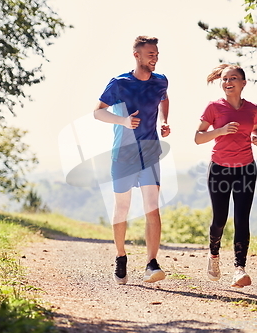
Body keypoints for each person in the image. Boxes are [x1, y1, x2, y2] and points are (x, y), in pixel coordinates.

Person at [93, 36, 170, 285]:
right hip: (124, 154)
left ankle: (151, 263)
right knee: (123, 208)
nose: (155, 57)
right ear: (136, 55)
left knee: (152, 208)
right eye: (150, 53)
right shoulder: (120, 83)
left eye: (156, 53)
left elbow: (164, 98)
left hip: (149, 152)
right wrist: (123, 121)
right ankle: (121, 257)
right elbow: (98, 112)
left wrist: (164, 121)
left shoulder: (160, 81)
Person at [194, 64, 257, 288]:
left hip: (246, 169)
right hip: (220, 169)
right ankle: (214, 256)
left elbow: (255, 127)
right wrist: (220, 131)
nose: (228, 82)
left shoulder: (251, 108)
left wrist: (255, 136)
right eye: (224, 79)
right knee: (220, 219)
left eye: (233, 78)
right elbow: (198, 137)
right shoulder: (214, 108)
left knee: (242, 219)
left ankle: (239, 269)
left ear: (243, 83)